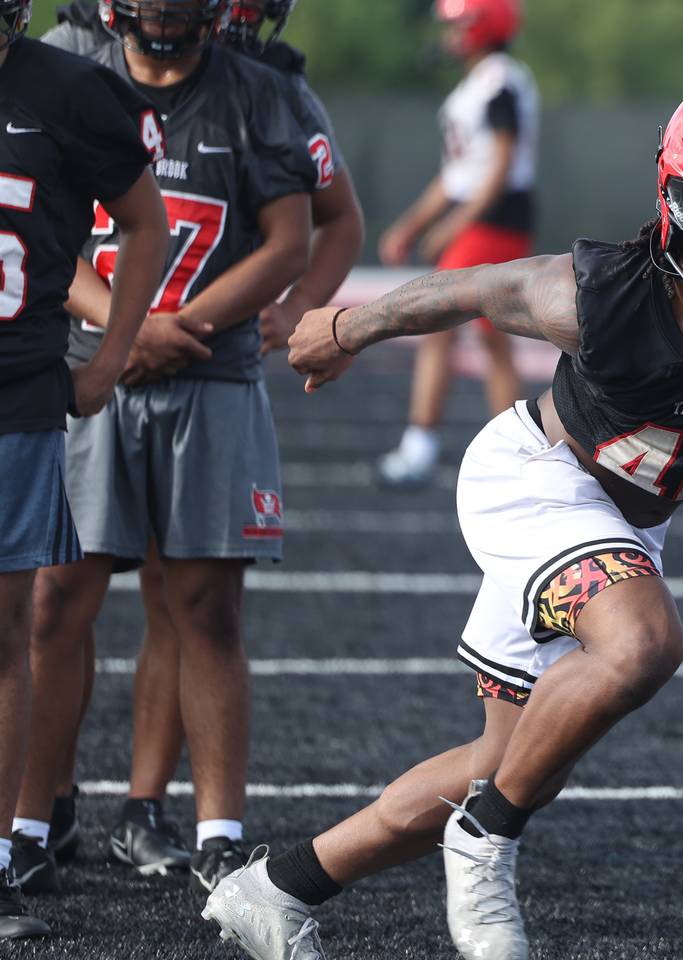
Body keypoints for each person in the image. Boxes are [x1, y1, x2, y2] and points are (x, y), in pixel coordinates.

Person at [204, 70, 683, 960]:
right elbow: (467, 289)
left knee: (506, 763)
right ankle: (484, 845)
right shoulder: (600, 293)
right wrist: (347, 326)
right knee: (642, 643)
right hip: (539, 476)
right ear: (673, 193)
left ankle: (275, 888)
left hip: (628, 520)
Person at [22, 0, 365, 890]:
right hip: (93, 359)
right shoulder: (67, 67)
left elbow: (313, 230)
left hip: (209, 369)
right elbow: (40, 224)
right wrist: (129, 328)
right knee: (56, 598)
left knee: (201, 602)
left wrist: (194, 324)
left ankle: (191, 821)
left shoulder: (263, 89)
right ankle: (35, 816)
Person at [0, 0, 170, 937]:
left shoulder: (68, 89)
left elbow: (145, 225)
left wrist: (109, 355)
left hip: (16, 399)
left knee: (5, 639)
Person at [375, 0, 538, 487]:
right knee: (492, 337)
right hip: (483, 219)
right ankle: (520, 453)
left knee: (437, 323)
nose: (452, 33)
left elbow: (501, 166)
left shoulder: (500, 80)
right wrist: (411, 224)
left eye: (461, 22)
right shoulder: (479, 84)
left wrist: (453, 224)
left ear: (484, 26)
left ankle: (420, 445)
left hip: (494, 219)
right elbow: (456, 176)